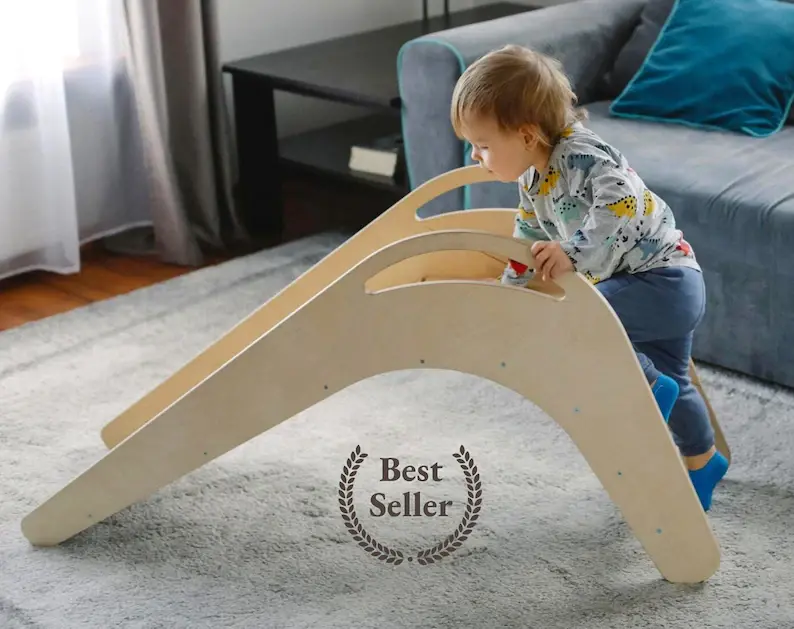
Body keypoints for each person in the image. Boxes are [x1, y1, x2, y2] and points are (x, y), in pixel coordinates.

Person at [450, 44, 728, 511]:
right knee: (677, 383)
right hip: (658, 287)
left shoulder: (584, 156)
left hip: (664, 282)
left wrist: (573, 253)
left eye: (482, 145)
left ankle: (647, 391)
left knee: (581, 325)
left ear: (525, 135)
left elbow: (620, 205)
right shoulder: (533, 180)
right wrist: (507, 295)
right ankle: (704, 463)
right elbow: (527, 239)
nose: (476, 156)